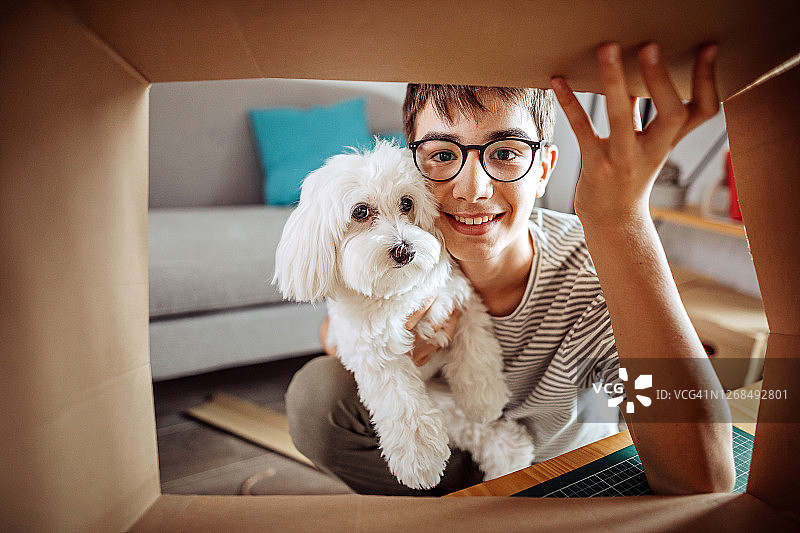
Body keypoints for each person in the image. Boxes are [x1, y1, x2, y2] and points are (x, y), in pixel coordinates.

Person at [285, 42, 736, 496]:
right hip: (455, 460)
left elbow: (703, 480)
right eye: (443, 155)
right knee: (318, 393)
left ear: (543, 169)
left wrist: (622, 219)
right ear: (412, 167)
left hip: (565, 477)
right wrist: (370, 345)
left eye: (505, 152)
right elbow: (343, 321)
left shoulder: (593, 271)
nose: (474, 188)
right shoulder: (406, 247)